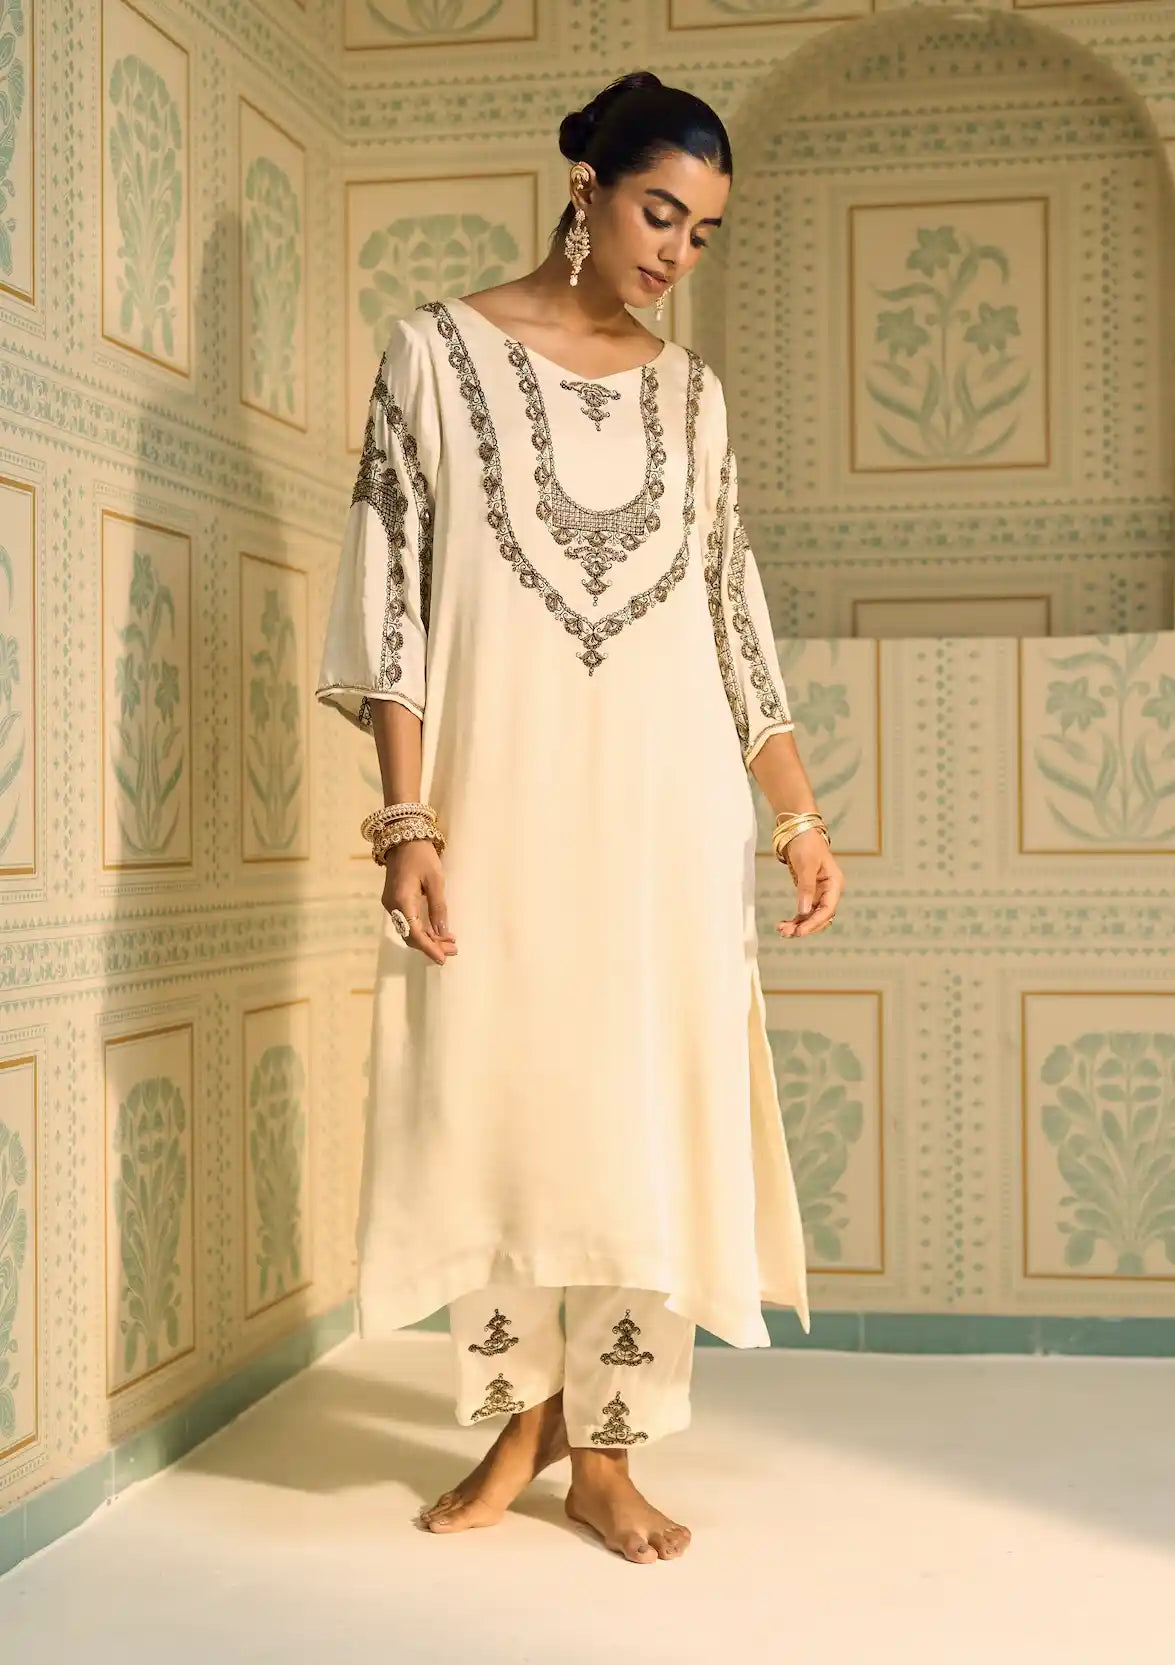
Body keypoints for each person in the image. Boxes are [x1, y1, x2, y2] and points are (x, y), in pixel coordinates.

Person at [315, 69, 845, 1566]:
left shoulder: (694, 398)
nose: (677, 251)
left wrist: (797, 816)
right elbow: (394, 597)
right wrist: (408, 819)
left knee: (641, 1106)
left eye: (704, 231)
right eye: (659, 212)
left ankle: (606, 1450)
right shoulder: (433, 355)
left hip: (665, 815)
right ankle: (517, 1417)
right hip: (501, 795)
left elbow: (730, 614)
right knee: (497, 1094)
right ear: (586, 188)